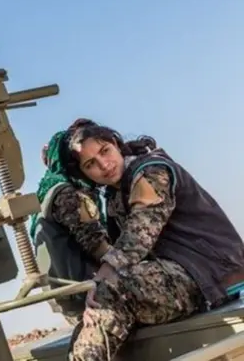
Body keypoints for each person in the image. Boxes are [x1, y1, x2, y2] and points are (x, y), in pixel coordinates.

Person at [60, 118, 244, 361]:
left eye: (105, 151)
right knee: (91, 316)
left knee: (113, 289)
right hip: (182, 274)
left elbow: (139, 234)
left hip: (211, 274)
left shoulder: (151, 171)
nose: (104, 165)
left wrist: (104, 276)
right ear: (85, 174)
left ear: (116, 143)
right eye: (91, 164)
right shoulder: (115, 195)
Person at [30, 129, 116, 326]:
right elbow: (97, 246)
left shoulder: (47, 192)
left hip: (68, 295)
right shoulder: (68, 194)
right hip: (86, 294)